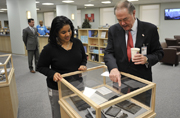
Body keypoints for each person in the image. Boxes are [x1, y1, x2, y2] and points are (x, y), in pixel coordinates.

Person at [104, 0, 164, 105]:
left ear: (134, 13)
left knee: (141, 109)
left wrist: (147, 59)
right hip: (120, 79)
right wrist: (113, 68)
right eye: (119, 20)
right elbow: (109, 52)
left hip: (142, 80)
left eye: (125, 19)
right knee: (119, 108)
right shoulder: (113, 30)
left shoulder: (150, 29)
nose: (122, 23)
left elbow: (159, 53)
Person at [36, 16, 87, 118]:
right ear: (56, 33)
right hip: (57, 88)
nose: (68, 34)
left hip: (77, 84)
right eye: (63, 32)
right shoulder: (49, 49)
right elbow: (40, 66)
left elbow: (83, 58)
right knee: (59, 114)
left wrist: (83, 64)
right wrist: (52, 73)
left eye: (69, 30)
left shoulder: (77, 43)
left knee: (78, 113)